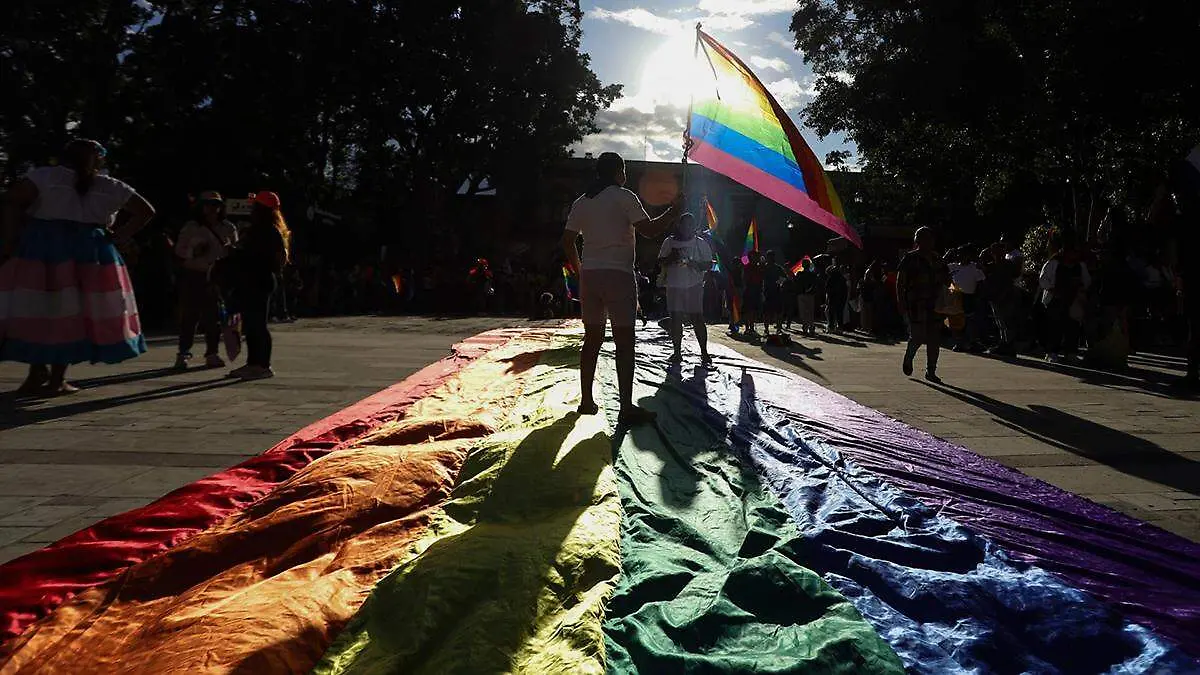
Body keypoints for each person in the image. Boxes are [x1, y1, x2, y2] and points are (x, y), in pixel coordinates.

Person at [0, 139, 156, 395]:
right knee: (73, 312)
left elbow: (11, 201)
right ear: (100, 160)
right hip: (90, 250)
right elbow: (145, 211)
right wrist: (121, 234)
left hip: (44, 248)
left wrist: (10, 238)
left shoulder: (45, 176)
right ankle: (56, 379)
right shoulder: (109, 185)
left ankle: (37, 372)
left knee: (39, 307)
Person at [561, 152, 680, 424]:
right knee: (624, 343)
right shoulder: (624, 196)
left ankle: (586, 400)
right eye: (624, 171)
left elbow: (567, 241)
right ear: (618, 172)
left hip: (590, 276)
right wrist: (673, 211)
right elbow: (649, 230)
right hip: (618, 275)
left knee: (592, 340)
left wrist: (581, 272)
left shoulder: (583, 202)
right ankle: (625, 406)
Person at [218, 192, 289, 380]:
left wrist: (234, 252)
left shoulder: (264, 231)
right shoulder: (268, 229)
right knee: (252, 324)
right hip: (257, 280)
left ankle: (262, 365)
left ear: (261, 209)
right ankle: (254, 363)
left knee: (257, 324)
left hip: (258, 280)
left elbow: (256, 257)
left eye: (255, 206)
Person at [174, 191, 237, 370]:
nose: (212, 209)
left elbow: (234, 254)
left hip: (216, 276)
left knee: (214, 318)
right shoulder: (191, 227)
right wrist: (195, 252)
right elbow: (179, 251)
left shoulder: (228, 228)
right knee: (189, 316)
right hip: (193, 274)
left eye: (215, 205)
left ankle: (212, 353)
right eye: (208, 204)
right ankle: (183, 353)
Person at [658, 213, 713, 365]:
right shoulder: (669, 242)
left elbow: (709, 264)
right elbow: (661, 260)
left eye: (690, 224)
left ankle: (704, 352)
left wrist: (695, 264)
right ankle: (677, 352)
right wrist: (672, 257)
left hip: (693, 285)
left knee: (697, 319)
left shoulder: (700, 243)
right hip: (674, 285)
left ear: (694, 226)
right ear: (680, 226)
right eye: (684, 224)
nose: (687, 227)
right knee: (675, 319)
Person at [897, 227, 950, 382]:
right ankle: (909, 357)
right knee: (918, 336)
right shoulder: (910, 258)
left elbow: (947, 278)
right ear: (918, 241)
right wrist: (900, 301)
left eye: (930, 238)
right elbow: (900, 282)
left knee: (934, 338)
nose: (929, 241)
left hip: (935, 304)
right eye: (925, 238)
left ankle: (931, 371)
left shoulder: (937, 258)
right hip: (916, 303)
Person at [1039, 233, 1090, 363]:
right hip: (1056, 300)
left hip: (1073, 301)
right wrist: (1052, 289)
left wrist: (1080, 288)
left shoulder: (1080, 266)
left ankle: (1071, 352)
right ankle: (1052, 352)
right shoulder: (1053, 263)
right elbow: (1043, 279)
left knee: (1073, 327)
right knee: (1054, 326)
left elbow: (1087, 281)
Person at [950, 250, 987, 352]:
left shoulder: (975, 267)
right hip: (955, 296)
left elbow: (981, 282)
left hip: (969, 296)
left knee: (970, 321)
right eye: (959, 254)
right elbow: (939, 266)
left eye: (963, 254)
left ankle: (972, 342)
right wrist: (948, 254)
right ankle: (958, 343)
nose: (960, 256)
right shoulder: (953, 266)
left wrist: (978, 296)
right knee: (955, 321)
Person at [761, 250, 786, 335]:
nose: (770, 258)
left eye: (772, 256)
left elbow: (784, 277)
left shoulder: (778, 268)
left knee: (778, 312)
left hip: (776, 291)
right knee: (766, 312)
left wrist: (777, 284)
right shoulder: (764, 267)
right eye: (769, 257)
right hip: (766, 292)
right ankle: (766, 329)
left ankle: (778, 328)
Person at [741, 250, 765, 336]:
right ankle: (748, 327)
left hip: (757, 290)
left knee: (754, 310)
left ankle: (751, 326)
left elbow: (762, 278)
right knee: (748, 310)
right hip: (749, 289)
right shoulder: (747, 267)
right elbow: (745, 279)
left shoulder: (759, 267)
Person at [794, 258, 818, 336]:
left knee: (804, 312)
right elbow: (815, 285)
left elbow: (796, 283)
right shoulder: (812, 274)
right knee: (810, 312)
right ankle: (810, 327)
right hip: (809, 294)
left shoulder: (799, 274)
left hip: (802, 294)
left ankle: (806, 327)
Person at [825, 262, 848, 334]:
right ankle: (839, 328)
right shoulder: (842, 278)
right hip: (841, 298)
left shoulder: (831, 279)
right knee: (839, 313)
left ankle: (831, 327)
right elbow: (845, 290)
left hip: (832, 298)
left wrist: (828, 297)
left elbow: (828, 289)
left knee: (831, 313)